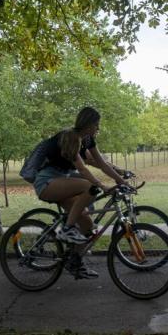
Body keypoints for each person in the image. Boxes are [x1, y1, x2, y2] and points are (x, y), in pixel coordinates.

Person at [32, 107, 125, 279]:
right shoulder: (71, 138)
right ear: (88, 124)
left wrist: (121, 180)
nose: (98, 128)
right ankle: (66, 230)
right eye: (96, 125)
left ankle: (74, 263)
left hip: (62, 182)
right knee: (89, 186)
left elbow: (102, 164)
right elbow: (82, 169)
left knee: (88, 226)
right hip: (46, 182)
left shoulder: (88, 140)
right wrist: (102, 186)